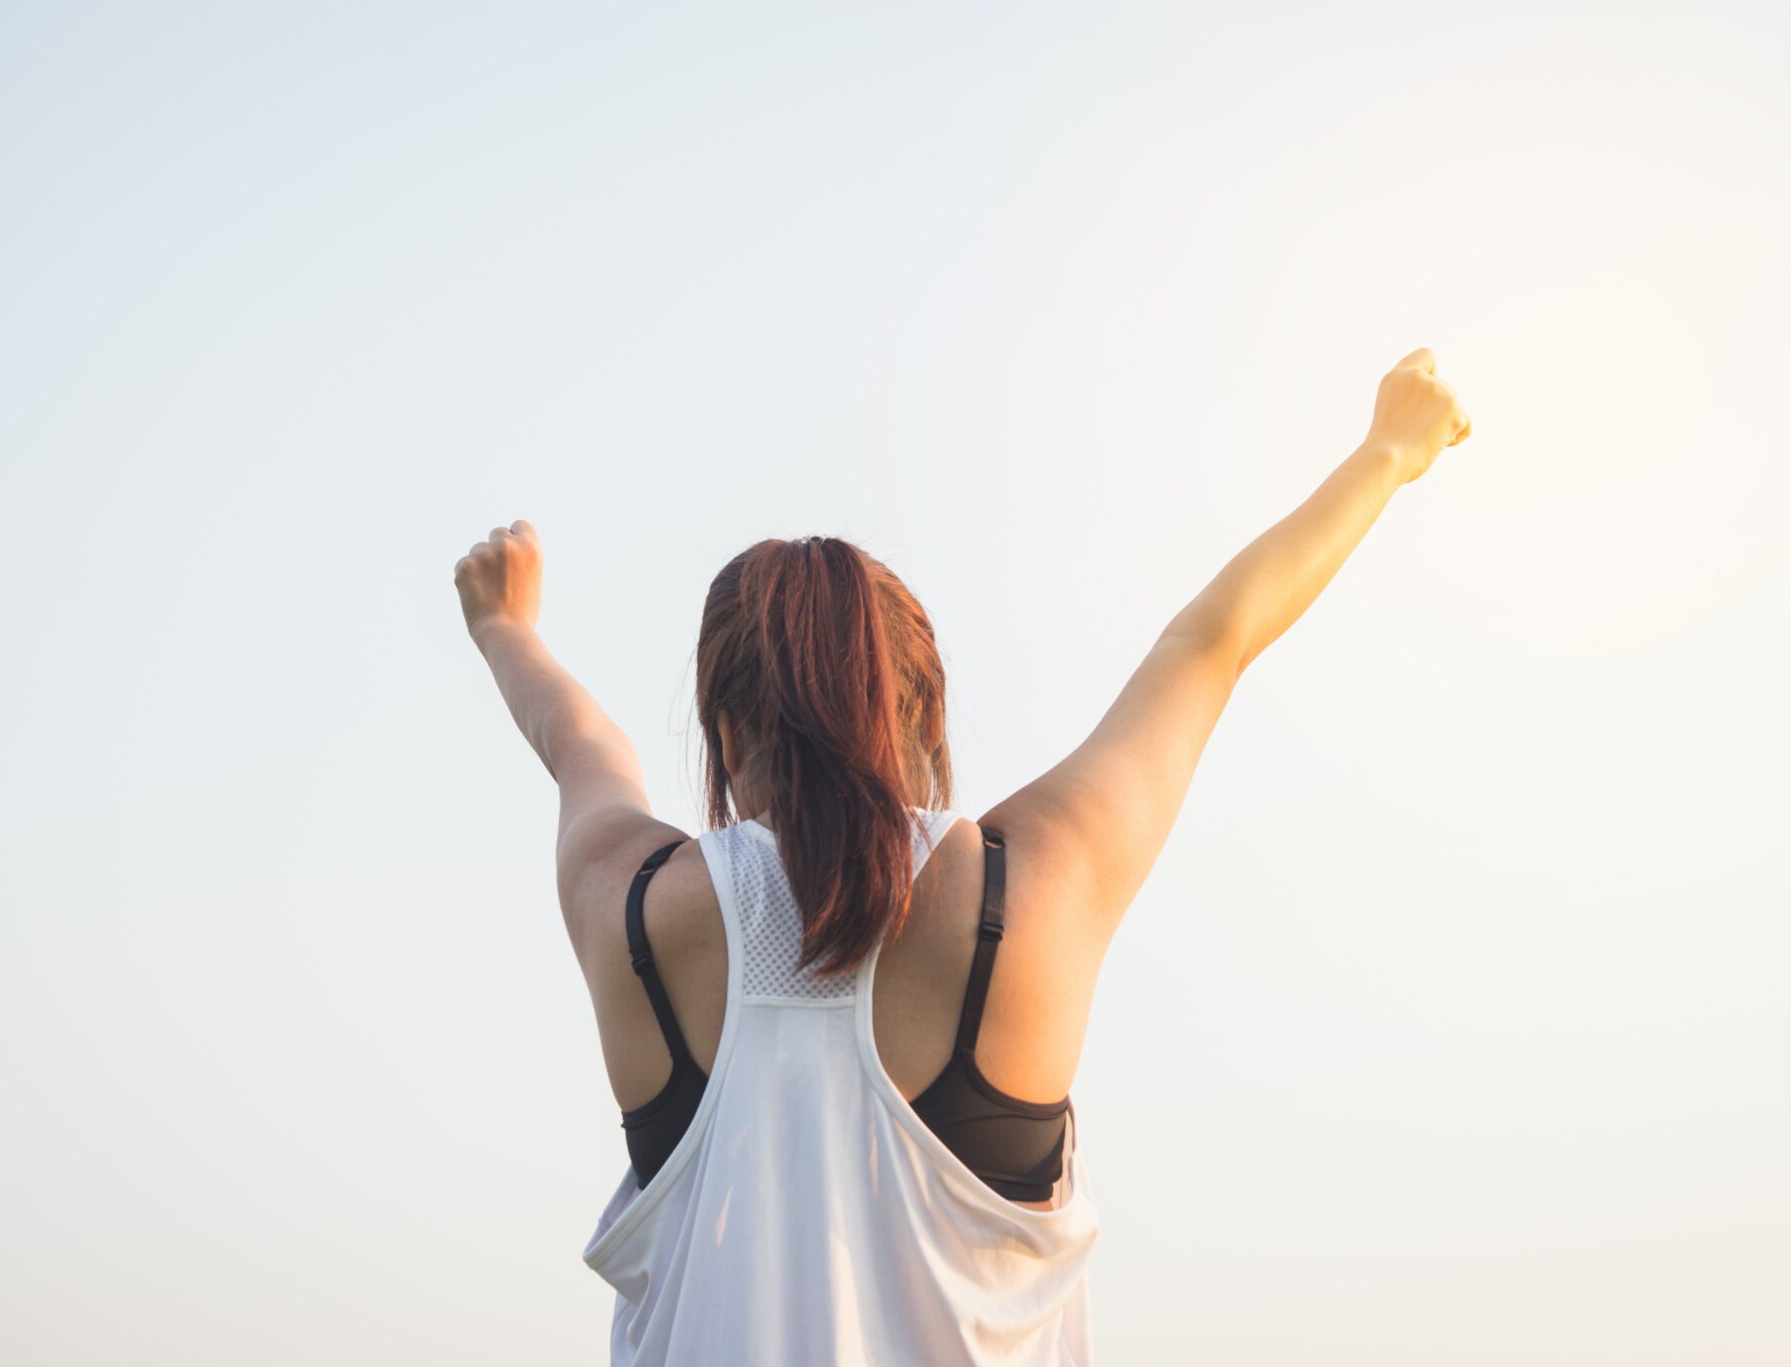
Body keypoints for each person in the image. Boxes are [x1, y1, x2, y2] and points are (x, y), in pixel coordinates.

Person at [452, 348, 1473, 1364]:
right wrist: (1387, 450)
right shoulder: (1028, 890)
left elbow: (581, 744)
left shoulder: (631, 912)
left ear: (722, 734)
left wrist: (504, 623)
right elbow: (1208, 643)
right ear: (924, 718)